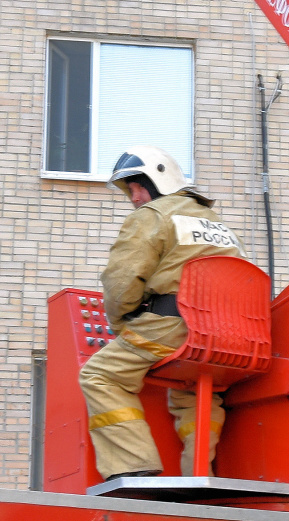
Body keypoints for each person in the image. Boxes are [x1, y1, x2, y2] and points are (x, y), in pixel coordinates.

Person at [78, 146, 243, 480]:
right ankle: (197, 476)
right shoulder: (217, 224)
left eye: (139, 185)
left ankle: (135, 467)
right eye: (130, 190)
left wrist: (122, 323)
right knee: (194, 391)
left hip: (173, 326)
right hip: (230, 335)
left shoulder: (153, 216)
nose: (135, 197)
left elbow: (121, 280)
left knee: (100, 375)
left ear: (160, 181)